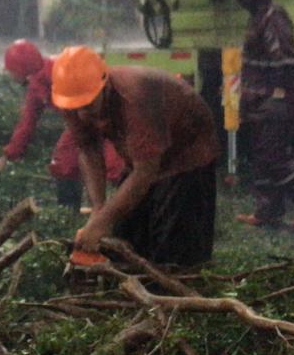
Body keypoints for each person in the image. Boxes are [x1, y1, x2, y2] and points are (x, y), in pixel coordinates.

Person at [55, 46, 220, 266]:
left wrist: (103, 221)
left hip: (187, 149)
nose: (82, 114)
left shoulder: (135, 94)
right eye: (76, 108)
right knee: (127, 232)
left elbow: (145, 172)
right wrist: (98, 210)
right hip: (142, 155)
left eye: (88, 105)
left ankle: (176, 283)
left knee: (175, 245)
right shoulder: (71, 98)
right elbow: (88, 148)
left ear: (104, 85)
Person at [230, 0, 294, 227]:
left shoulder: (272, 17)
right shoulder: (259, 18)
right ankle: (267, 211)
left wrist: (280, 95)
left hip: (274, 101)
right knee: (261, 157)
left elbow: (285, 61)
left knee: (273, 153)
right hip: (259, 100)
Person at [0, 39, 124, 208]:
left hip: (103, 114)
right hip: (80, 120)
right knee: (64, 163)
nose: (10, 75)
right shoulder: (36, 86)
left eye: (11, 70)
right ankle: (68, 213)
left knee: (116, 165)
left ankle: (124, 212)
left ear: (20, 68)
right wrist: (9, 154)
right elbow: (27, 122)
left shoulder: (57, 71)